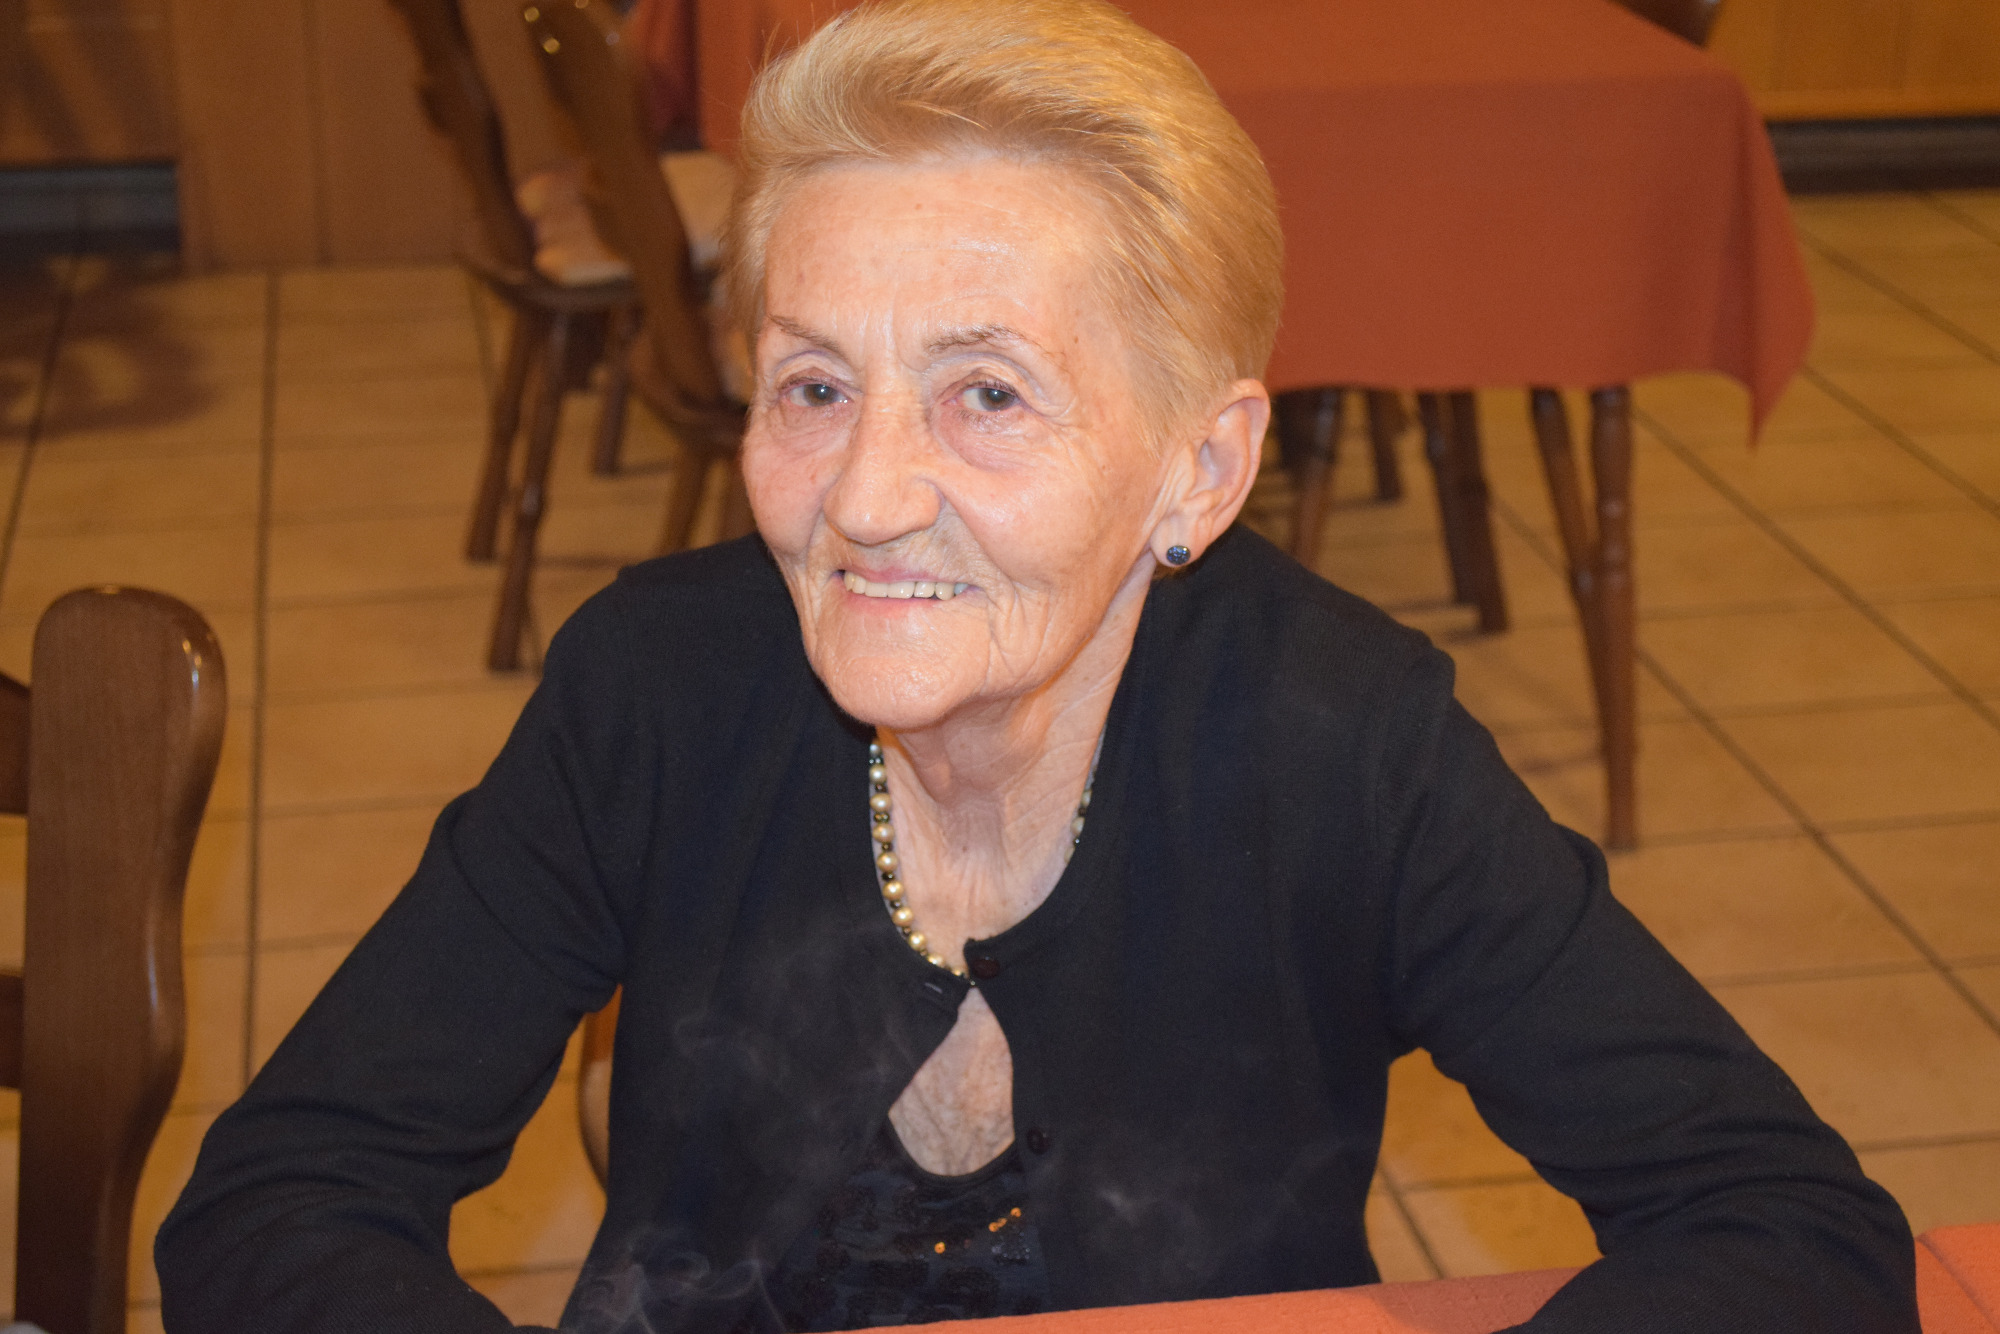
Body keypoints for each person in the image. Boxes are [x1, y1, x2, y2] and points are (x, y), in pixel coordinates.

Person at [156, 2, 1917, 1331]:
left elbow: (1791, 1231)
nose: (865, 497)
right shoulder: (657, 691)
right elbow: (275, 1202)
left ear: (1199, 469)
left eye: (986, 392)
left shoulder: (1345, 745)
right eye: (815, 383)